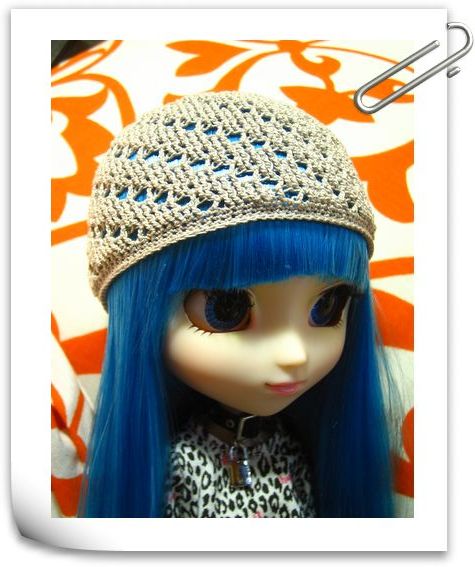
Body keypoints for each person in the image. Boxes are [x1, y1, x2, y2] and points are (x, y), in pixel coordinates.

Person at [80, 90, 398, 517]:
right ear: (140, 314)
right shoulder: (179, 466)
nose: (294, 354)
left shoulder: (295, 451)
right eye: (225, 311)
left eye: (327, 307)